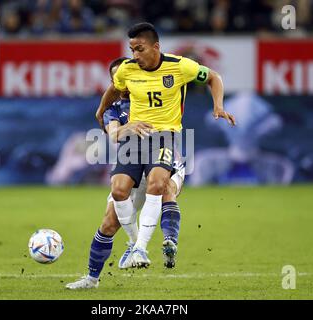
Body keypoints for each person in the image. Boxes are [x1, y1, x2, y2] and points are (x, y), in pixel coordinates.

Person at [95, 22, 235, 269]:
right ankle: (134, 244)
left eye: (139, 49)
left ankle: (146, 247)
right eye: (132, 50)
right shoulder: (127, 70)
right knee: (118, 192)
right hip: (135, 142)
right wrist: (101, 109)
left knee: (160, 186)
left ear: (155, 47)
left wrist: (218, 105)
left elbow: (214, 77)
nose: (135, 56)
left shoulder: (180, 66)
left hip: (166, 136)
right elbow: (113, 89)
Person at [65, 57, 185, 290]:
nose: (121, 81)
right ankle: (92, 278)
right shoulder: (114, 109)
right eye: (114, 78)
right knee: (109, 222)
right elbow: (112, 134)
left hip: (163, 160)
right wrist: (123, 127)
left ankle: (168, 241)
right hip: (132, 168)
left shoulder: (154, 93)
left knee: (165, 187)